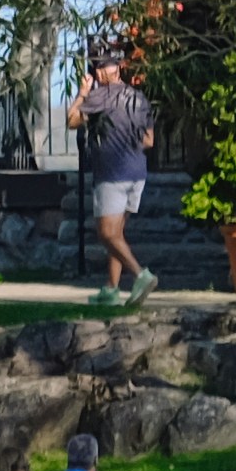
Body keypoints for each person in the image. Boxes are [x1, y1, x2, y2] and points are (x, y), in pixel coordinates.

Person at [68, 48, 159, 297]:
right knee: (117, 235)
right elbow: (149, 140)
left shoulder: (100, 96)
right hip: (137, 173)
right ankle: (111, 288)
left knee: (107, 234)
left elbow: (72, 120)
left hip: (112, 174)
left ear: (98, 72)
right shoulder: (138, 97)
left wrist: (83, 93)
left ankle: (141, 276)